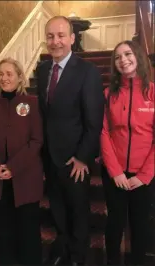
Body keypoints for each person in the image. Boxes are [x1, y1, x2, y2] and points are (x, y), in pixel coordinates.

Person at [36, 16, 104, 265]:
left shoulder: (88, 72)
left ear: (73, 39)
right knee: (57, 208)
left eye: (61, 35)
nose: (56, 42)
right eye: (51, 36)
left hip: (76, 160)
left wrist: (83, 157)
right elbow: (45, 115)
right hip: (50, 158)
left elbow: (94, 120)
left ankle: (78, 257)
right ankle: (63, 247)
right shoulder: (42, 70)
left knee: (78, 212)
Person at [0, 57, 44, 265]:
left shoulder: (31, 102)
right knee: (4, 232)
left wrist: (13, 167)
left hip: (25, 178)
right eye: (1, 73)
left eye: (9, 74)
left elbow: (36, 140)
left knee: (28, 231)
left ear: (19, 77)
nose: (4, 78)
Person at [100, 40, 154, 265]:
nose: (123, 60)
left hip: (144, 176)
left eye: (128, 54)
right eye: (118, 57)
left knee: (141, 227)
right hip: (116, 175)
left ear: (138, 56)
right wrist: (115, 172)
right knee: (114, 225)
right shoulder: (108, 94)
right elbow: (103, 132)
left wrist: (144, 175)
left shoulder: (152, 92)